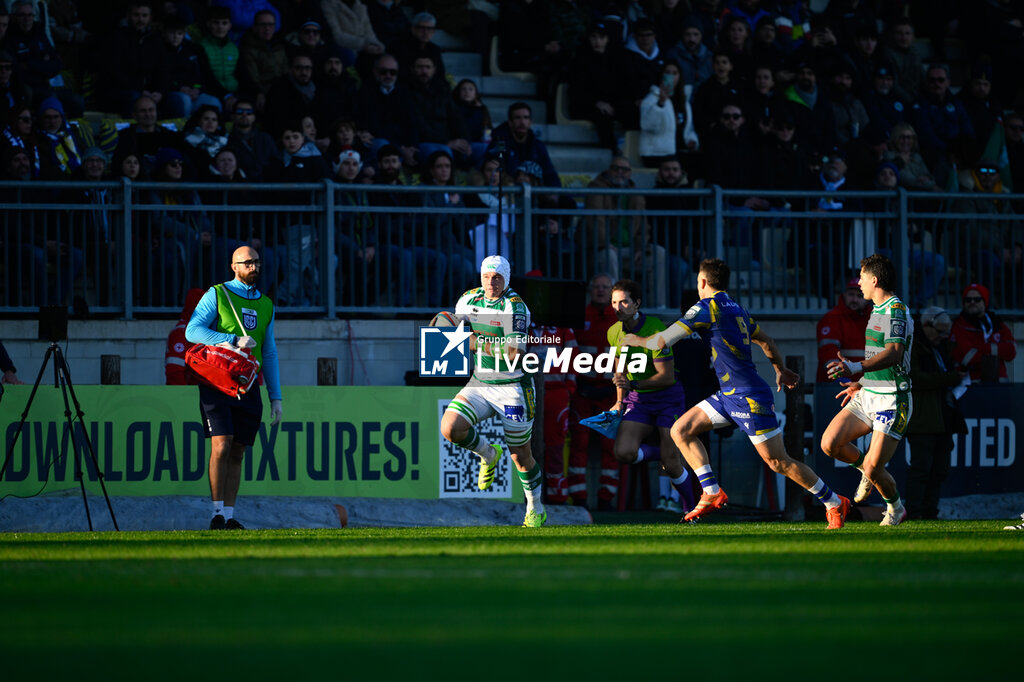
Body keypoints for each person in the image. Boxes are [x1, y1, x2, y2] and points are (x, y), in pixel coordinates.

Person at [621, 258, 851, 528]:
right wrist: (779, 368)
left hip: (748, 396)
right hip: (728, 394)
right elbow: (766, 340)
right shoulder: (738, 309)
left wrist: (635, 339)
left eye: (698, 282)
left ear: (703, 282)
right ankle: (711, 491)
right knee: (680, 429)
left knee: (779, 461)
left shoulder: (707, 307)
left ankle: (835, 501)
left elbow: (662, 341)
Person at [438, 255, 547, 527]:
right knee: (450, 428)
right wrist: (442, 324)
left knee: (521, 456)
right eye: (486, 276)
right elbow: (451, 320)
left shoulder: (515, 307)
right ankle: (488, 453)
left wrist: (474, 343)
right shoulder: (470, 298)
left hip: (513, 388)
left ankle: (536, 508)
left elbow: (514, 353)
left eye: (497, 277)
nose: (491, 282)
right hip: (480, 383)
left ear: (506, 278)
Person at [185, 245, 283, 530]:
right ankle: (216, 513)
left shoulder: (266, 304)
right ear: (234, 266)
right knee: (222, 444)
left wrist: (275, 397)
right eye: (247, 263)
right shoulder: (217, 294)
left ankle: (228, 516)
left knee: (238, 450)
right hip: (218, 382)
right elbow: (193, 331)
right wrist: (232, 339)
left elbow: (270, 351)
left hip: (248, 383)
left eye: (257, 262)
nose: (254, 267)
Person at [820, 253, 913, 526]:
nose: (858, 283)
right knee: (829, 444)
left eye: (861, 277)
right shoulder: (876, 308)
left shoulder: (895, 310)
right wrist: (862, 382)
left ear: (874, 280)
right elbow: (879, 355)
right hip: (869, 392)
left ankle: (895, 508)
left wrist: (855, 368)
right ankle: (866, 469)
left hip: (892, 398)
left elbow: (894, 354)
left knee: (876, 467)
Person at [606, 279, 694, 513]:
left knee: (673, 465)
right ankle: (666, 452)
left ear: (637, 304)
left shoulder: (656, 330)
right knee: (623, 452)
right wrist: (619, 401)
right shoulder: (614, 331)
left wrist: (633, 383)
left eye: (624, 301)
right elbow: (620, 370)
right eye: (614, 302)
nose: (618, 307)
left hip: (667, 399)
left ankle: (691, 507)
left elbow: (666, 377)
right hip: (639, 400)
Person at [905, 306, 967, 520]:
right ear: (926, 326)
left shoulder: (938, 347)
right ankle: (915, 513)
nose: (942, 337)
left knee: (939, 470)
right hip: (922, 418)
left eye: (945, 332)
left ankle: (930, 513)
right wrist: (950, 378)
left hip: (942, 416)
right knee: (921, 468)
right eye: (939, 331)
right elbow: (915, 379)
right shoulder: (914, 347)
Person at [568, 273, 619, 509]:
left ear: (612, 291)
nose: (600, 290)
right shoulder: (579, 314)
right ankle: (578, 497)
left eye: (605, 287)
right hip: (583, 392)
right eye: (596, 286)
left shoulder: (619, 318)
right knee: (579, 445)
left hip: (610, 393)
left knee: (611, 447)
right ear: (590, 290)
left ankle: (606, 498)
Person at [950, 283, 1017, 383]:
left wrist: (982, 348)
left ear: (985, 302)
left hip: (1000, 387)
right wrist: (997, 349)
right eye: (968, 300)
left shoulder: (997, 323)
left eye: (977, 299)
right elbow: (967, 358)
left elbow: (1011, 351)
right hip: (971, 387)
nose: (972, 302)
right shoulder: (958, 326)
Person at [487, 102, 560, 188]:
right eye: (518, 118)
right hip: (508, 192)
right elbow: (495, 168)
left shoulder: (538, 146)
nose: (522, 122)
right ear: (510, 122)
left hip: (534, 192)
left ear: (530, 122)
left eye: (526, 118)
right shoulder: (499, 144)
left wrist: (554, 193)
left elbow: (549, 172)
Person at [815, 276, 870, 383]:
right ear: (844, 295)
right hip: (837, 385)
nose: (854, 299)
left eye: (860, 295)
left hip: (866, 385)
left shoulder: (874, 318)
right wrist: (841, 378)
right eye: (851, 294)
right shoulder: (831, 319)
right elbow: (828, 353)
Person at [165, 288, 206, 384]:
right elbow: (174, 371)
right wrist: (184, 396)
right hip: (187, 394)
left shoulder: (196, 331)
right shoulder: (182, 333)